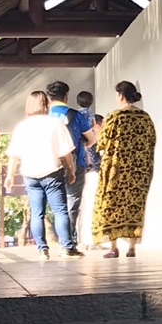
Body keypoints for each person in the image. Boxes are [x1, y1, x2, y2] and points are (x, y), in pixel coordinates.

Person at [5, 91, 80, 258]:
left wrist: (10, 175)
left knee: (37, 213)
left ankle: (42, 250)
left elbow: (14, 155)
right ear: (46, 104)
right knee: (60, 211)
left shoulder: (22, 127)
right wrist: (71, 170)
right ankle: (67, 247)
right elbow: (65, 152)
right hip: (52, 173)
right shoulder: (55, 124)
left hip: (30, 175)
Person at [91, 81, 157, 257]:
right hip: (139, 170)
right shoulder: (145, 117)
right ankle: (132, 247)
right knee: (135, 206)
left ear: (120, 95)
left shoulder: (114, 116)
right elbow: (152, 141)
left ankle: (113, 247)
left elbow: (101, 142)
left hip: (116, 169)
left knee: (111, 205)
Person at [46, 80, 98, 230]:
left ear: (49, 98)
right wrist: (83, 146)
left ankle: (61, 235)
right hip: (76, 162)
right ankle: (69, 237)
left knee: (56, 204)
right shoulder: (76, 115)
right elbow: (92, 139)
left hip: (50, 164)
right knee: (72, 202)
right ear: (66, 96)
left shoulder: (44, 116)